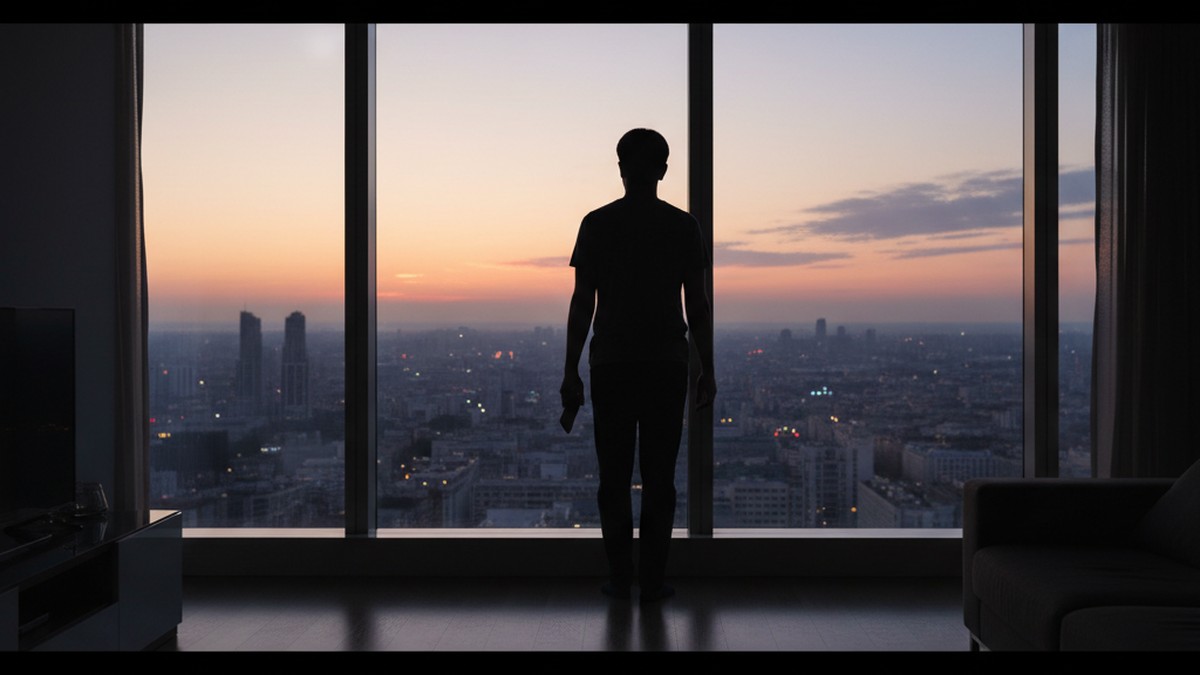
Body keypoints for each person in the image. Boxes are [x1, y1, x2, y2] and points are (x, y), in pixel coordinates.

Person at [561, 128, 715, 602]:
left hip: (611, 364)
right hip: (666, 365)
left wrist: (571, 370)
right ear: (663, 171)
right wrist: (706, 366)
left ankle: (620, 578)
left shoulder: (597, 224)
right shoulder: (683, 227)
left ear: (622, 168)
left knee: (613, 478)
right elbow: (698, 306)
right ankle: (651, 581)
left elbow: (582, 302)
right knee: (660, 479)